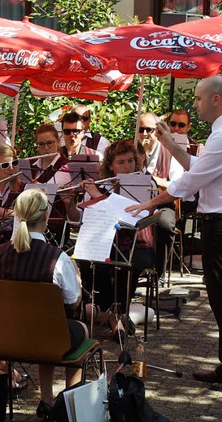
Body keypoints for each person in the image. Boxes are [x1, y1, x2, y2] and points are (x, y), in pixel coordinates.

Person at [127, 75, 222, 393]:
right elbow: (197, 166)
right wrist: (168, 145)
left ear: (216, 99)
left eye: (199, 98)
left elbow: (190, 182)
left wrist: (149, 202)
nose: (194, 104)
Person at [0, 189, 85, 419]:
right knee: (79, 328)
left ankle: (46, 401)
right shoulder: (57, 257)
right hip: (48, 339)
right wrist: (78, 280)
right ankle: (67, 405)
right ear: (45, 218)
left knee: (48, 328)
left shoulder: (0, 253)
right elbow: (73, 302)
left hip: (9, 338)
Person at [76, 140, 154, 342]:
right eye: (121, 162)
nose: (128, 167)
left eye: (131, 161)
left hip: (136, 240)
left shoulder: (146, 183)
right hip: (106, 238)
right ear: (110, 165)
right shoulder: (98, 186)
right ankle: (109, 311)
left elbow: (145, 213)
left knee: (132, 263)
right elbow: (89, 218)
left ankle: (117, 312)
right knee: (90, 259)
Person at [137, 112, 185, 286]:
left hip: (162, 203)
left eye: (148, 130)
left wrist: (156, 180)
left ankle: (160, 271)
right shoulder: (132, 152)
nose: (144, 134)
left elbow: (178, 185)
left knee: (165, 224)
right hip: (136, 203)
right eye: (140, 129)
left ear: (157, 131)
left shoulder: (170, 154)